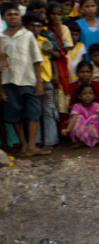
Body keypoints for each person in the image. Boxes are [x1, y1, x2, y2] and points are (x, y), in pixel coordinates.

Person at [0, 2, 50, 157]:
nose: (13, 17)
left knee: (34, 113)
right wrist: (0, 88)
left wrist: (39, 83)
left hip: (29, 81)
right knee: (15, 116)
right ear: (3, 18)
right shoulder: (1, 39)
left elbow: (37, 60)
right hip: (9, 82)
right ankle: (23, 146)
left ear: (20, 16)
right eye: (9, 14)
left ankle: (32, 146)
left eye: (16, 14)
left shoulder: (27, 35)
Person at [24, 11, 61, 150]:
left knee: (48, 111)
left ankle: (50, 141)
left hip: (46, 80)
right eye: (32, 26)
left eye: (39, 26)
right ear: (26, 26)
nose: (36, 29)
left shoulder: (45, 40)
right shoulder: (23, 42)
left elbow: (57, 56)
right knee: (34, 112)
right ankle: (36, 141)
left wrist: (50, 52)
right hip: (29, 82)